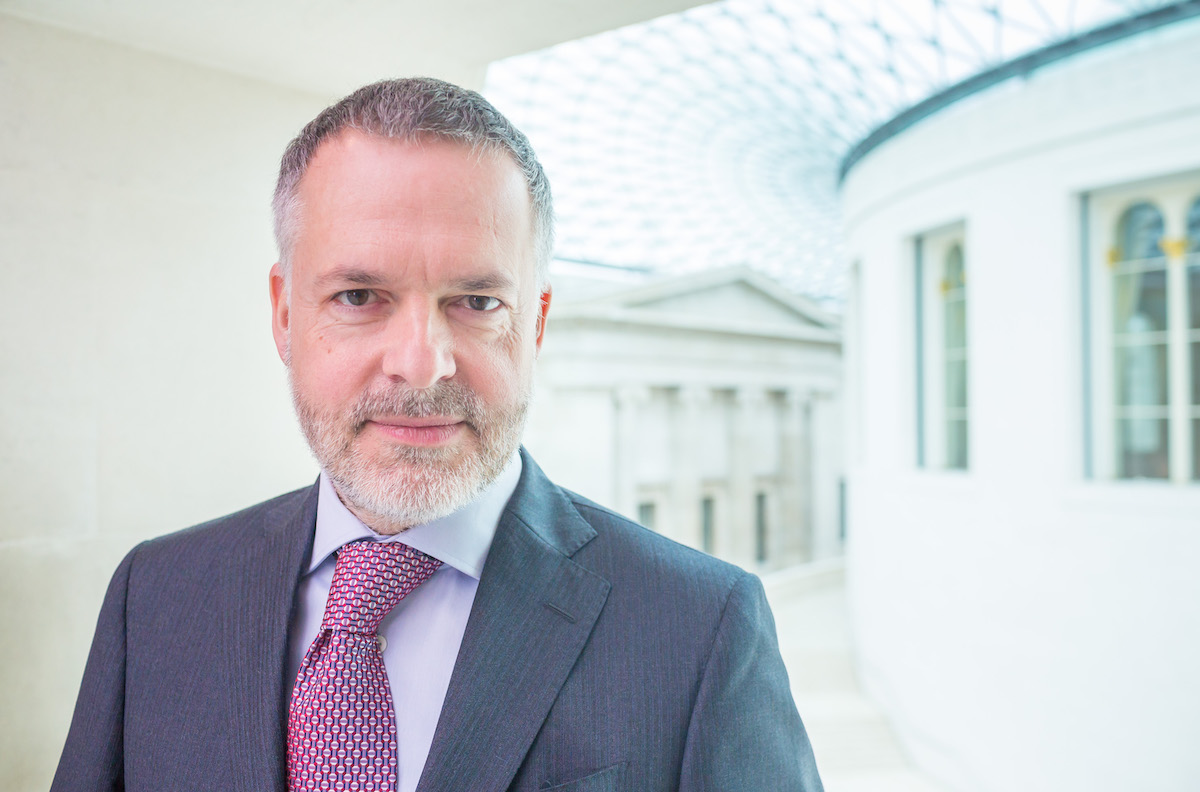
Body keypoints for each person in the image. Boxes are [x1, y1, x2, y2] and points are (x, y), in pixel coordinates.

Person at [51, 78, 823, 792]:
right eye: (358, 295)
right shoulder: (154, 596)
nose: (422, 365)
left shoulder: (699, 628)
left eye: (477, 301)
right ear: (285, 314)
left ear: (537, 322)